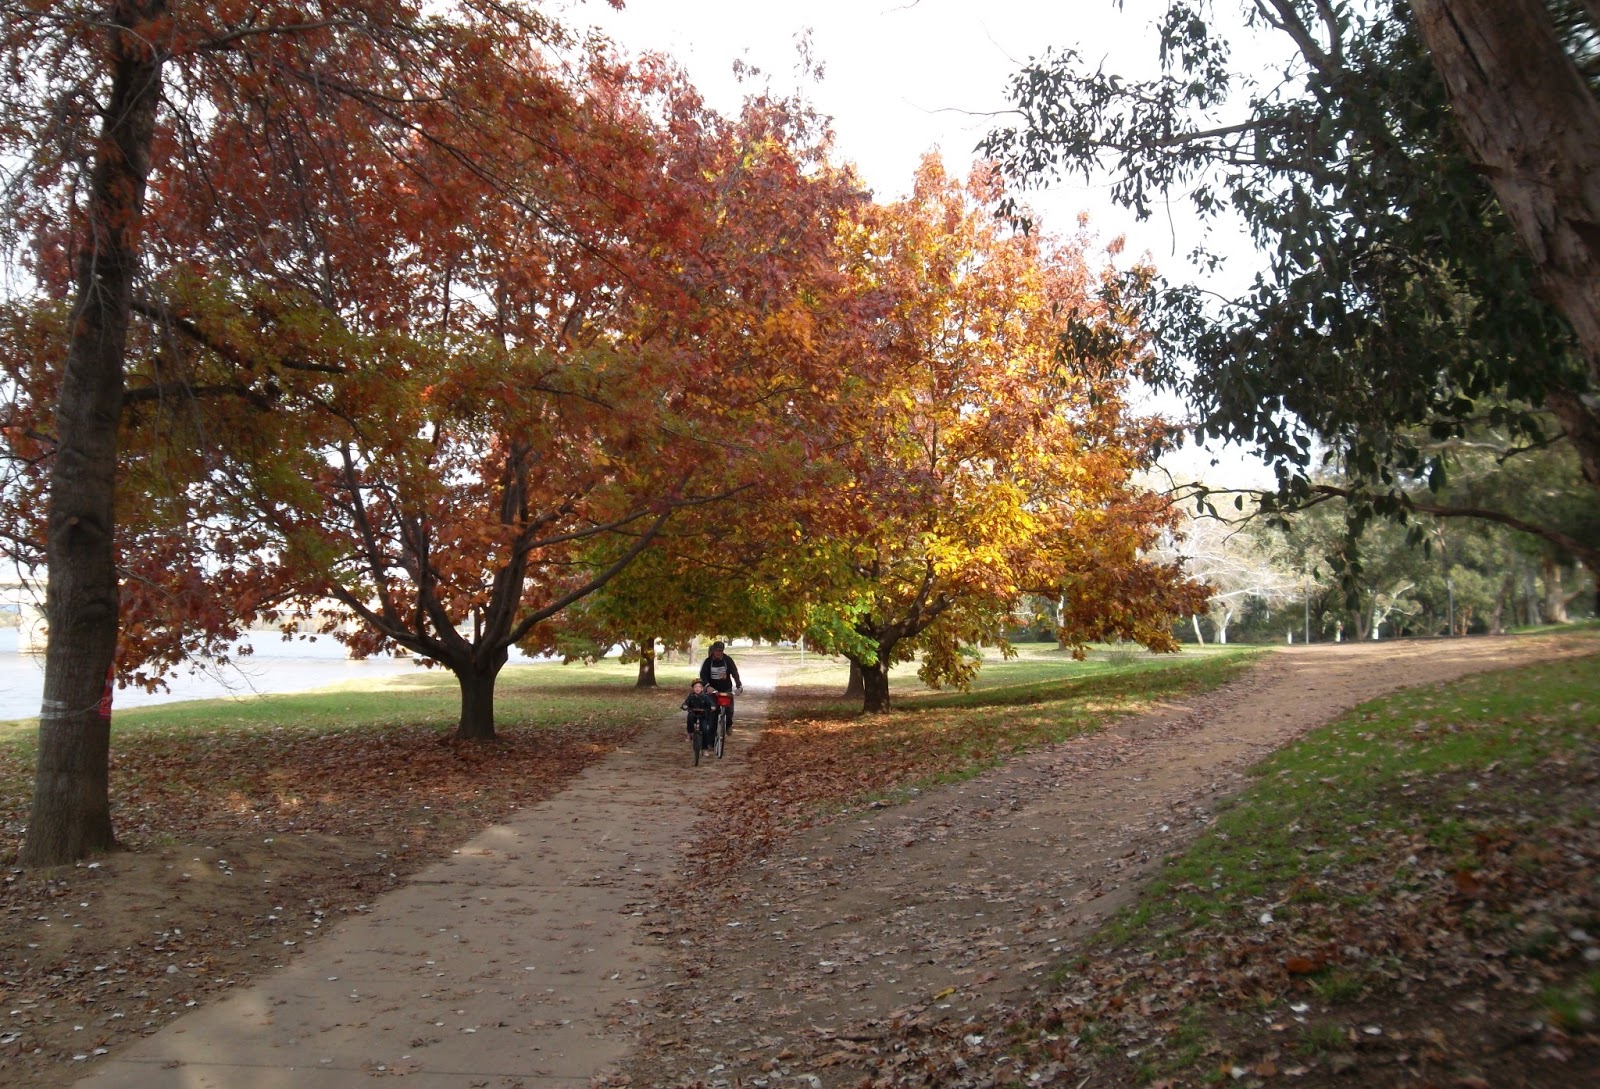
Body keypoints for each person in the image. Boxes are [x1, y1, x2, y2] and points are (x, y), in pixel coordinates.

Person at [698, 640, 743, 732]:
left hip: (726, 689)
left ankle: (728, 725)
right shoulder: (708, 661)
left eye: (720, 651)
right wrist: (707, 686)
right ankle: (711, 738)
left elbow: (735, 673)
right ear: (713, 651)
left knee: (729, 709)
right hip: (713, 690)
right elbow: (703, 675)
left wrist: (739, 686)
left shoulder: (728, 660)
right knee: (712, 712)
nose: (718, 653)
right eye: (716, 651)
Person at [680, 680, 716, 748]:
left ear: (702, 688)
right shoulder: (691, 696)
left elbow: (711, 703)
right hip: (693, 714)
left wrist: (712, 707)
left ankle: (705, 749)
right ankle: (690, 733)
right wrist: (685, 706)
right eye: (695, 687)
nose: (697, 688)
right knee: (690, 716)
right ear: (693, 688)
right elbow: (686, 703)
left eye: (699, 687)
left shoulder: (705, 697)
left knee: (705, 731)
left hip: (703, 715)